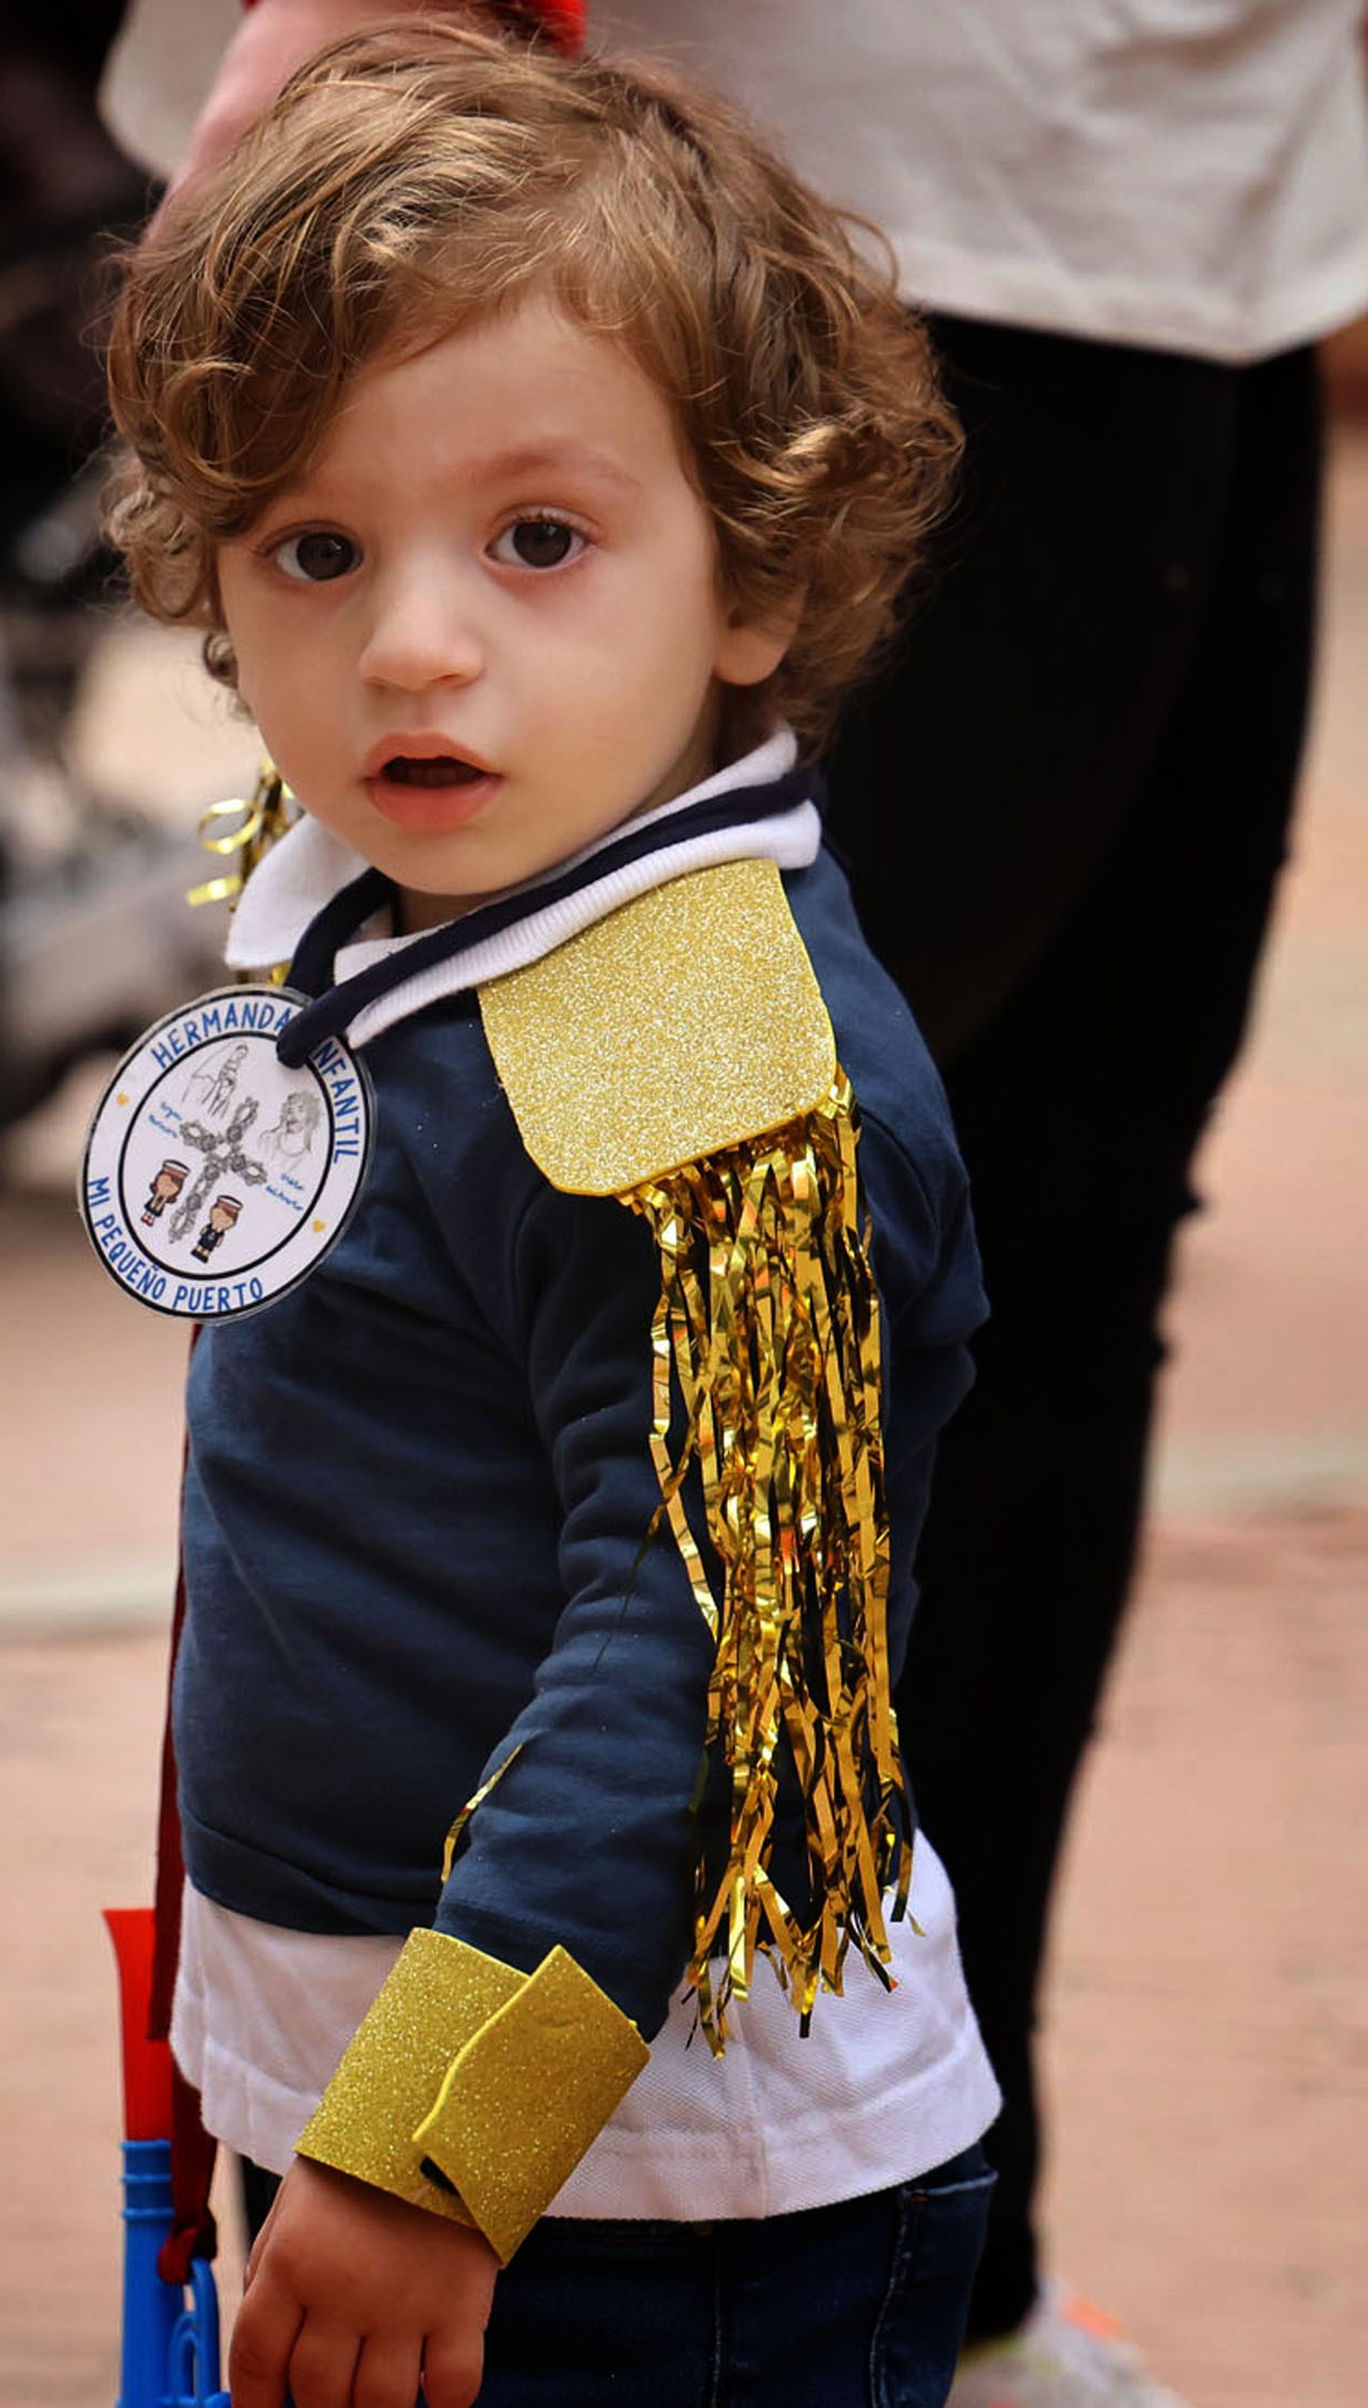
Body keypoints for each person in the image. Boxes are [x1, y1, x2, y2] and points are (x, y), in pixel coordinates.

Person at [102, 9, 1368, 2402]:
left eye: (540, 539)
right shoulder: (398, 887)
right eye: (311, 545)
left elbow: (695, 1660)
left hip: (616, 2201)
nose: (411, 641)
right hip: (392, 2103)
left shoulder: (692, 1061)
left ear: (754, 577)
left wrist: (420, 2156)